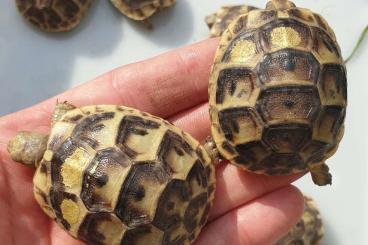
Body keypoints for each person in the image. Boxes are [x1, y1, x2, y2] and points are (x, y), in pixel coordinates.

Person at [0, 38, 304, 245]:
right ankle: (203, 158)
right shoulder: (72, 126)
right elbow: (70, 111)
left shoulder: (48, 194)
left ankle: (204, 159)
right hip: (189, 176)